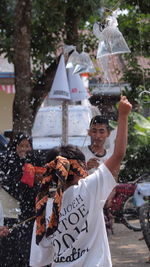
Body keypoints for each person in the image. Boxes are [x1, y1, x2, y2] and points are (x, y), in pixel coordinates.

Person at [29, 95, 132, 267]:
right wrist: (123, 115)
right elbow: (119, 154)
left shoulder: (43, 210)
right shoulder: (90, 188)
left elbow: (38, 262)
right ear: (79, 170)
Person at [0, 133, 43, 267]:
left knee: (25, 253)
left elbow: (36, 187)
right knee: (9, 253)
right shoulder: (7, 161)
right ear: (15, 146)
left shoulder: (33, 162)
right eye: (21, 145)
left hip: (27, 216)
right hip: (8, 214)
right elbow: (11, 186)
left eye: (27, 146)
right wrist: (27, 179)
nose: (24, 149)